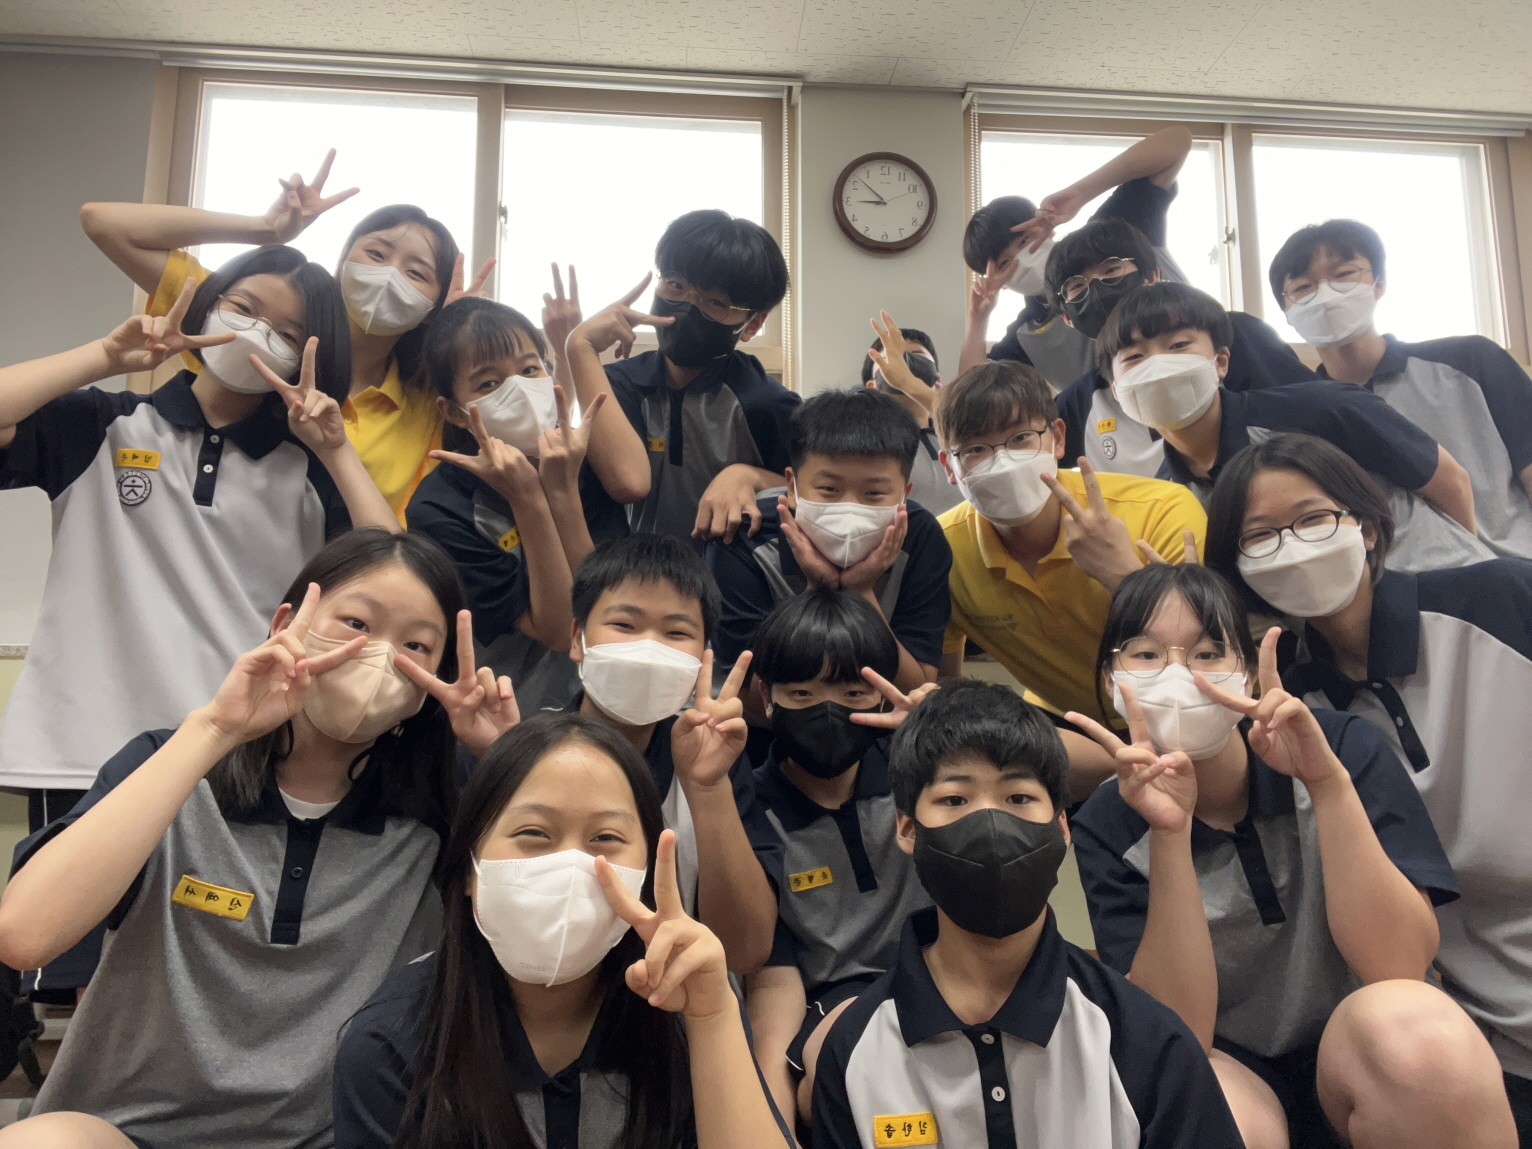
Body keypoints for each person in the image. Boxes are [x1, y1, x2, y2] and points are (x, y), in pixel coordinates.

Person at [0, 530, 520, 1149]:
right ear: (285, 625)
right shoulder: (168, 765)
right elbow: (25, 936)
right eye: (356, 623)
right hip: (124, 1132)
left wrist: (506, 764)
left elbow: (537, 958)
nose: (379, 657)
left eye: (416, 646)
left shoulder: (442, 808)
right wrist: (215, 729)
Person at [1068, 562, 1513, 1149]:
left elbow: (1400, 965)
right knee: (1197, 1107)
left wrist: (1325, 783)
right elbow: (1179, 1031)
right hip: (1235, 1065)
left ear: (1249, 675)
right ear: (1110, 678)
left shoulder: (1340, 746)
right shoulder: (1106, 821)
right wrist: (1168, 833)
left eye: (1206, 654)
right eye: (1146, 655)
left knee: (1422, 1043)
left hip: (1365, 1043)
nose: (1178, 677)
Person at [1202, 432, 1532, 1143]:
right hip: (1464, 1021)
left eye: (1313, 518)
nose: (1293, 547)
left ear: (1369, 525)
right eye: (1259, 536)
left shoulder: (1502, 599)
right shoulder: (1289, 712)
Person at [0, 254, 397, 831]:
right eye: (243, 308)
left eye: (287, 333)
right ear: (209, 303)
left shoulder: (310, 470)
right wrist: (105, 356)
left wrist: (336, 451)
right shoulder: (105, 424)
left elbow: (395, 578)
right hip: (78, 749)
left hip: (233, 758)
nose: (255, 333)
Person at [811, 679, 1246, 1148]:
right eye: (954, 800)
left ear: (1061, 828)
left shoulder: (1140, 1036)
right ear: (908, 829)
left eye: (1018, 798)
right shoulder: (855, 1048)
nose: (989, 824)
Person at [80, 150, 494, 522]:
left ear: (431, 308)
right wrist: (266, 229)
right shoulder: (260, 329)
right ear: (342, 264)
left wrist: (458, 331)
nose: (389, 275)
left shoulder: (428, 401)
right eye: (376, 253)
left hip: (352, 574)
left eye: (416, 273)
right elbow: (105, 224)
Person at [933, 359, 1205, 795]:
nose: (1002, 461)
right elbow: (945, 684)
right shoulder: (942, 551)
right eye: (975, 450)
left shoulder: (1162, 510)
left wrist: (1125, 579)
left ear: (1057, 437)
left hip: (1185, 714)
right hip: (1063, 728)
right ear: (949, 466)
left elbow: (1205, 660)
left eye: (1021, 438)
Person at [1096, 281, 1487, 571]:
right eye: (1134, 357)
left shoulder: (1323, 409)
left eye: (1179, 345)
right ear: (1116, 389)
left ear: (1221, 362)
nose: (1158, 365)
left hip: (1450, 583)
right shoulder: (1169, 493)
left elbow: (1451, 482)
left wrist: (1473, 576)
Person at [742, 588, 936, 1131]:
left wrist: (948, 741)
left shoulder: (922, 778)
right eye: (802, 693)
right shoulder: (751, 810)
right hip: (830, 1007)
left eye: (852, 692)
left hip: (948, 978)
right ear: (767, 695)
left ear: (882, 694)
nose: (828, 711)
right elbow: (773, 991)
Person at [566, 533, 782, 975]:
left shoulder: (716, 755)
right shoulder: (528, 753)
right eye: (624, 625)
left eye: (676, 632)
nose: (649, 649)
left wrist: (709, 787)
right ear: (577, 638)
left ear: (703, 656)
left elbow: (745, 951)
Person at [1269, 217, 1532, 560]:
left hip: (1515, 566)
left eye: (1343, 274)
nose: (1325, 295)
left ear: (1378, 284)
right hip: (1406, 584)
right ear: (1287, 311)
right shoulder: (1307, 417)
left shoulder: (1471, 360)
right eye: (1303, 287)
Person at [406, 296, 617, 711]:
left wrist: (563, 489)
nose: (518, 389)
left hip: (602, 701)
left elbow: (603, 604)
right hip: (504, 712)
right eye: (489, 384)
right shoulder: (439, 507)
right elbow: (559, 630)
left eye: (529, 369)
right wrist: (530, 499)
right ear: (454, 412)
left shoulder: (587, 462)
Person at [570, 211, 799, 547]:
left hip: (729, 576)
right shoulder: (619, 384)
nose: (686, 308)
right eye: (675, 285)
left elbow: (817, 491)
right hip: (625, 571)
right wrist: (579, 346)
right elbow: (626, 483)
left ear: (752, 324)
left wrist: (749, 476)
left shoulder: (766, 403)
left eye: (716, 302)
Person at [707, 386, 952, 694]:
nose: (850, 509)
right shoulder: (745, 537)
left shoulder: (920, 539)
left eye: (874, 493)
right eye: (829, 490)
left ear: (905, 494)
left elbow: (916, 690)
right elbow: (749, 696)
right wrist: (817, 590)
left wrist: (861, 592)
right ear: (792, 487)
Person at [1045, 219, 1313, 478]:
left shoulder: (1237, 334)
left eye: (1112, 270)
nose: (1096, 288)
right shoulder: (1081, 401)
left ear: (1152, 275)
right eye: (1077, 286)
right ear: (1066, 317)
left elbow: (1303, 411)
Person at [959, 126, 1196, 389]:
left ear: (1046, 227)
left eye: (1024, 241)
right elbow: (972, 394)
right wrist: (977, 319)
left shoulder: (1112, 234)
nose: (1022, 260)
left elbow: (1177, 142)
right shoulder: (1028, 334)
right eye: (1005, 263)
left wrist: (1081, 192)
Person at [858, 313, 962, 515]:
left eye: (917, 355)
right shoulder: (865, 441)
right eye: (891, 356)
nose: (902, 362)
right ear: (871, 387)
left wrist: (907, 383)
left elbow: (981, 429)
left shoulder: (957, 435)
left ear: (937, 381)